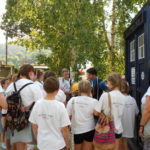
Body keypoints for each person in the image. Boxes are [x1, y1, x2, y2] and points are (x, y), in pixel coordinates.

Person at [2, 64, 43, 150]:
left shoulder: (11, 86)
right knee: (26, 145)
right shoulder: (33, 86)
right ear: (31, 73)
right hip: (27, 121)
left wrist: (5, 117)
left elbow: (5, 104)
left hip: (12, 120)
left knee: (15, 144)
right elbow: (41, 105)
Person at [29, 77, 70, 150]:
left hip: (42, 144)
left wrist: (38, 139)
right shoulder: (60, 106)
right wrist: (67, 144)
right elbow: (65, 128)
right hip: (58, 144)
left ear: (44, 89)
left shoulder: (37, 104)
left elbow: (34, 126)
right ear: (58, 90)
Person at [94, 72, 125, 150]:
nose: (107, 83)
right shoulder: (123, 97)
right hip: (118, 129)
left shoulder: (105, 95)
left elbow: (96, 112)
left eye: (107, 81)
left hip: (106, 129)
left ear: (111, 82)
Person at [67, 80, 98, 150]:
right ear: (90, 89)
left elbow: (68, 117)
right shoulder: (94, 101)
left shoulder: (72, 100)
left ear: (79, 89)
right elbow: (97, 114)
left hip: (76, 130)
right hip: (89, 129)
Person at [120, 80, 139, 150]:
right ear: (128, 88)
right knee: (125, 144)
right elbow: (136, 114)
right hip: (129, 128)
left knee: (120, 145)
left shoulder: (118, 99)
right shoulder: (132, 99)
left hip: (119, 128)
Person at [0, 78, 10, 149]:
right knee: (3, 128)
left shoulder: (7, 91)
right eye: (7, 83)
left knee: (5, 128)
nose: (8, 84)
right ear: (3, 85)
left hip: (6, 112)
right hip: (2, 113)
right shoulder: (2, 92)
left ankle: (5, 142)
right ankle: (2, 142)